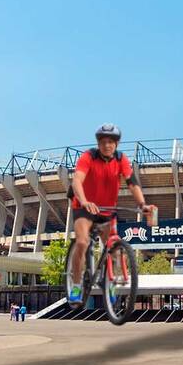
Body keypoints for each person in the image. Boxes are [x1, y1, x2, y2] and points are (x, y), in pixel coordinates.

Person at [68, 123, 156, 303]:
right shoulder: (88, 157)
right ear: (98, 143)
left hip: (108, 210)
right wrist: (84, 201)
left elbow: (132, 182)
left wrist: (142, 204)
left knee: (115, 248)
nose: (107, 145)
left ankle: (110, 283)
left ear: (116, 144)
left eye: (111, 142)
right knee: (83, 242)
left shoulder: (121, 159)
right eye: (103, 141)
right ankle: (76, 285)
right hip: (84, 207)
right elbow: (77, 180)